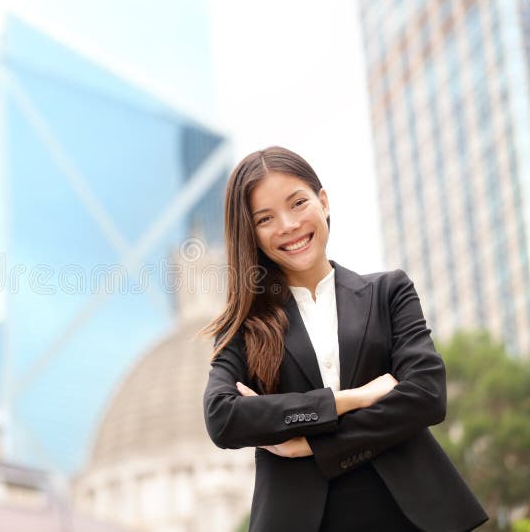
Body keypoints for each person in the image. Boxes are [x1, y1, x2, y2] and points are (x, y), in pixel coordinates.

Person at [200, 146, 488, 532]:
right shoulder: (244, 327)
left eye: (298, 203)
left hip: (413, 516)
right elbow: (224, 417)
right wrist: (350, 400)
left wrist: (309, 444)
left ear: (324, 201)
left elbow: (426, 396)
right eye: (265, 218)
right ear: (250, 233)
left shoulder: (389, 292)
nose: (287, 225)